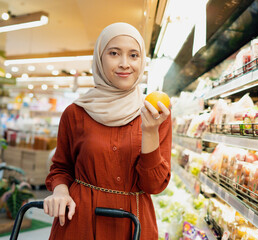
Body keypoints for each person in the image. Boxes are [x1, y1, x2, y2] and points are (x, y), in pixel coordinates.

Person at [44, 22, 172, 240]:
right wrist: (60, 191)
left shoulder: (156, 112)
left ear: (142, 61)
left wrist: (150, 131)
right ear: (100, 58)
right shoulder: (75, 113)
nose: (125, 64)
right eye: (114, 53)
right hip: (80, 222)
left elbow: (154, 185)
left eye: (134, 55)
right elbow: (60, 168)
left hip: (134, 225)